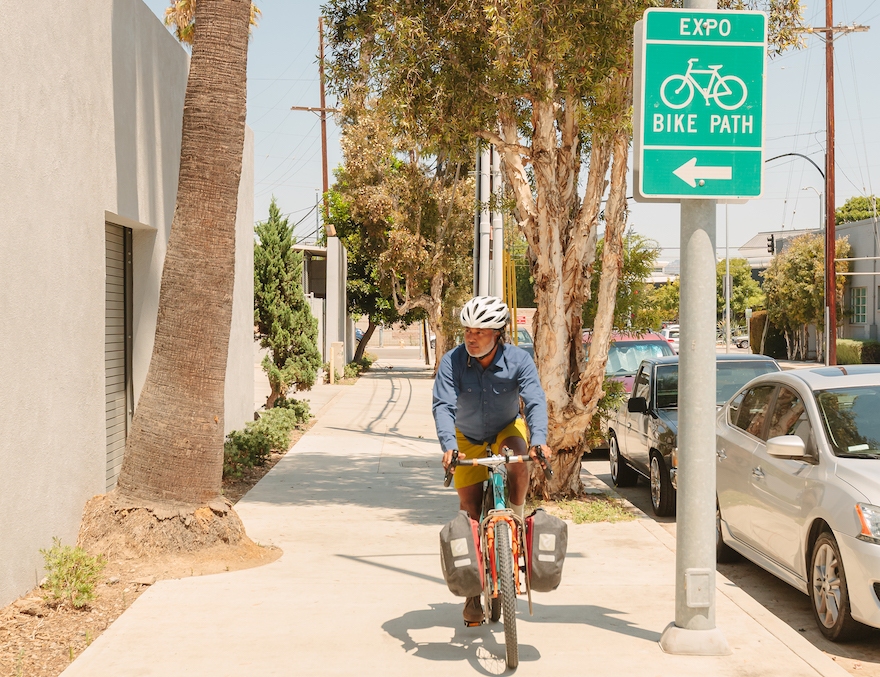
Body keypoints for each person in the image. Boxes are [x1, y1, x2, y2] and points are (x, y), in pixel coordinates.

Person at [432, 295, 552, 625]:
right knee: (469, 513)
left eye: (480, 332)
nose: (471, 337)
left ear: (498, 333)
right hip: (466, 437)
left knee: (517, 458)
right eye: (468, 330)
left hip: (505, 428)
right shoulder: (452, 362)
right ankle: (473, 594)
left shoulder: (518, 360)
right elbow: (443, 406)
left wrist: (539, 440)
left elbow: (535, 401)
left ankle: (514, 516)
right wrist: (448, 447)